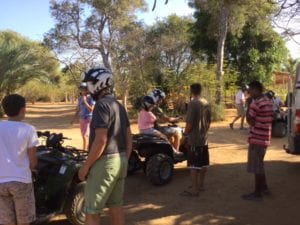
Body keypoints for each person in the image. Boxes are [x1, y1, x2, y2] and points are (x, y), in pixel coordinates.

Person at [78, 66, 132, 225]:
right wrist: (124, 159)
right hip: (120, 160)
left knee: (92, 212)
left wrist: (86, 167)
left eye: (89, 83)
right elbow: (129, 137)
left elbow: (101, 140)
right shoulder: (118, 105)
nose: (87, 87)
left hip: (105, 163)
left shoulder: (101, 105)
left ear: (98, 84)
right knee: (116, 207)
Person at [0, 94, 39, 225]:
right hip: (21, 181)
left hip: (1, 182)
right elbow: (33, 160)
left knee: (6, 221)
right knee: (25, 221)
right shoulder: (29, 129)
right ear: (23, 110)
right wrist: (32, 168)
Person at [242, 81, 274, 201]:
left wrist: (249, 104)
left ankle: (257, 193)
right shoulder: (268, 101)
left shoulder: (256, 104)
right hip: (265, 137)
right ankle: (264, 188)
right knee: (260, 164)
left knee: (256, 167)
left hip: (256, 138)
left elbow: (249, 120)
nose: (249, 92)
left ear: (256, 90)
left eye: (250, 90)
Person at [180, 83, 211, 197]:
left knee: (193, 165)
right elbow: (209, 121)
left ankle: (194, 189)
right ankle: (200, 185)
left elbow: (189, 123)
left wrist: (185, 134)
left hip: (194, 139)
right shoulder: (206, 103)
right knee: (203, 164)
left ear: (191, 91)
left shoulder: (193, 104)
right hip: (204, 138)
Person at [71, 82, 95, 150]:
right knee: (84, 136)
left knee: (85, 136)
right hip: (82, 119)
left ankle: (84, 152)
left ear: (87, 89)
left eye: (84, 89)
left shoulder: (91, 98)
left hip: (88, 118)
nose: (82, 90)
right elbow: (78, 109)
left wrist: (85, 102)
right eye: (81, 89)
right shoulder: (80, 98)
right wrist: (73, 119)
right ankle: (87, 150)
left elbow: (91, 109)